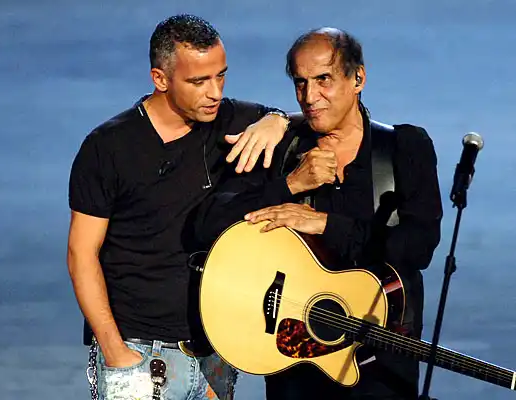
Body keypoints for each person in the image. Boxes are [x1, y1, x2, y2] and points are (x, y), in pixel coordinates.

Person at [194, 27, 443, 399]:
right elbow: (208, 227)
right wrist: (291, 184)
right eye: (301, 83)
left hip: (383, 362)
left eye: (323, 79)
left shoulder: (404, 148)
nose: (310, 97)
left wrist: (327, 225)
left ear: (357, 78)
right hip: (297, 360)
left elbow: (418, 248)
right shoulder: (281, 149)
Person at [66, 14, 291, 400]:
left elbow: (300, 119)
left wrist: (277, 120)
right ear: (160, 78)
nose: (214, 92)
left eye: (221, 76)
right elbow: (81, 254)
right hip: (139, 352)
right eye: (198, 81)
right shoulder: (109, 147)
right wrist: (116, 353)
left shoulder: (230, 121)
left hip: (214, 353)